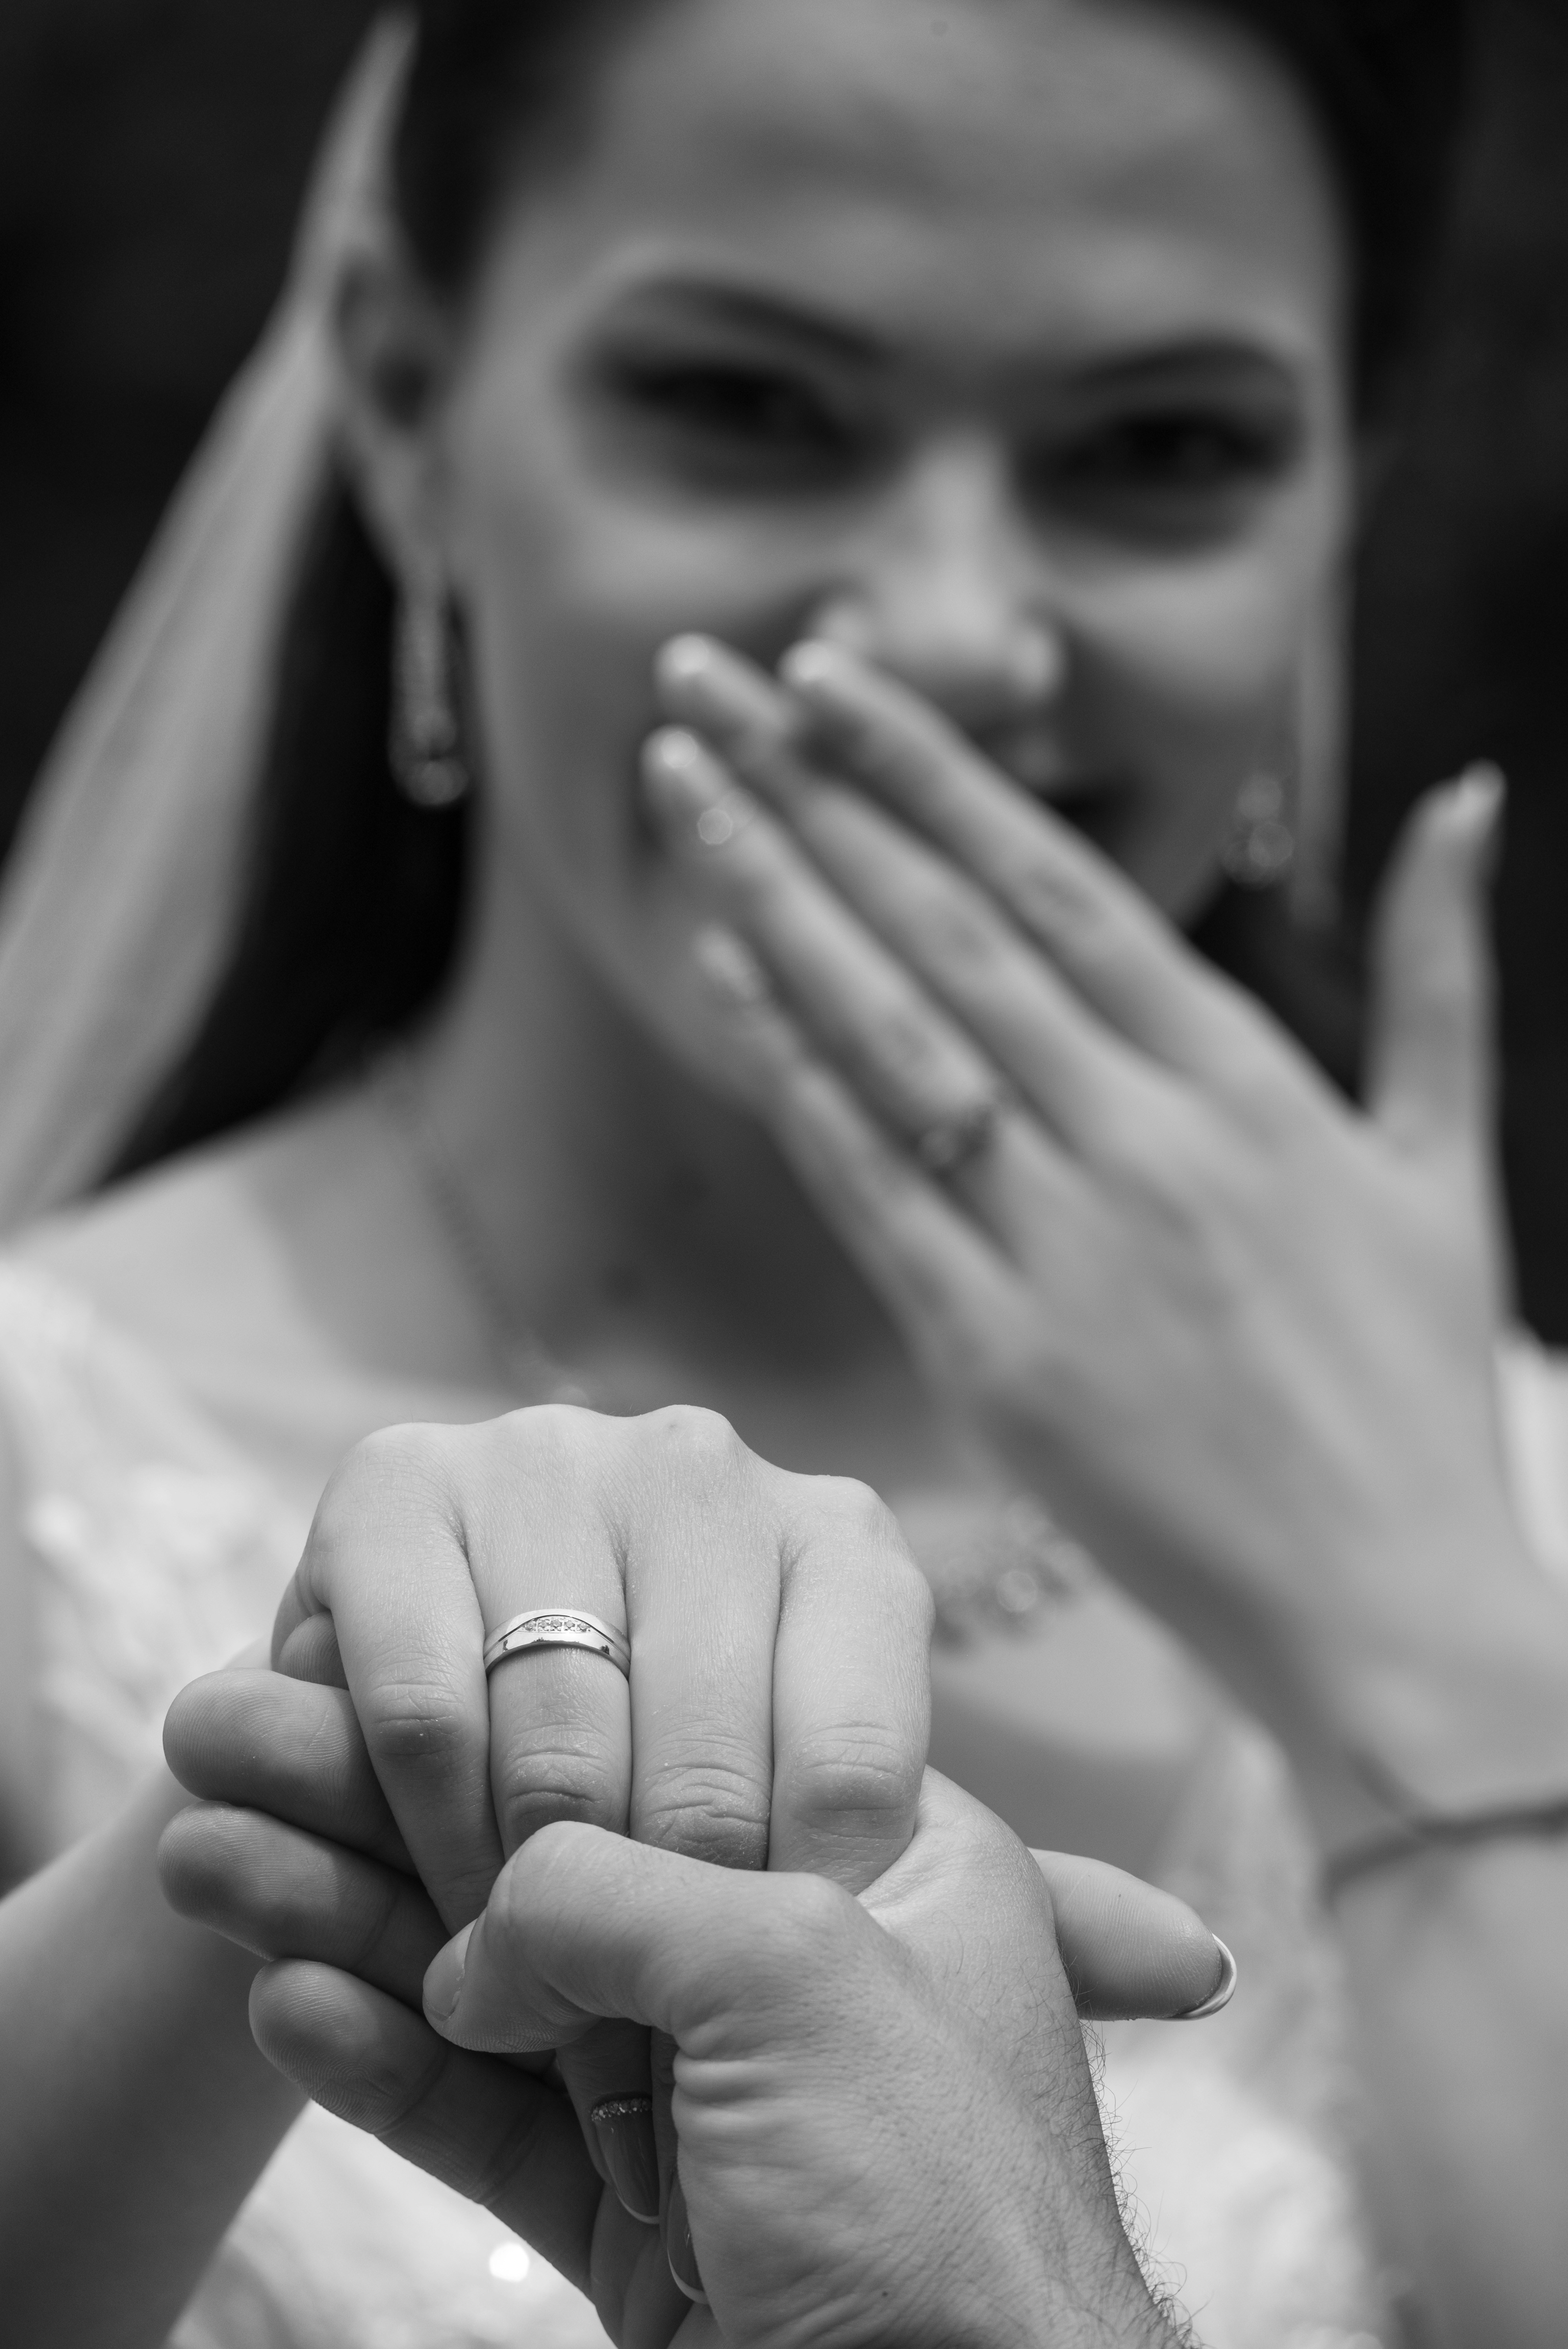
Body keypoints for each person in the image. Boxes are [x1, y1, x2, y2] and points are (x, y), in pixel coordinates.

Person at [0, 0, 1565, 2343]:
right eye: (746, 407)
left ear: (1343, 488)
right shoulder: (51, 1451)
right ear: (412, 416)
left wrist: (1422, 1664)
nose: (942, 629)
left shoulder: (1529, 1516)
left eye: (1160, 451)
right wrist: (243, 1867)